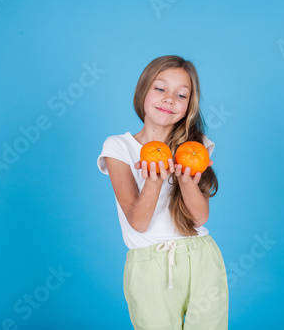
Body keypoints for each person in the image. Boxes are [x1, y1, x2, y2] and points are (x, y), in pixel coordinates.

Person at [97, 55, 229, 329]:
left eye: (181, 95)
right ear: (143, 91)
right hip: (150, 265)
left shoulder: (195, 147)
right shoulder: (118, 147)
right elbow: (139, 222)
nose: (169, 99)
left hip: (201, 256)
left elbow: (200, 218)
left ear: (187, 107)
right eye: (160, 89)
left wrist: (185, 178)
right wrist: (154, 180)